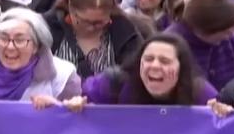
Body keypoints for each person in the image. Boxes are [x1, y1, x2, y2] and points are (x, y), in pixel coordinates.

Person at [0, 8, 82, 107]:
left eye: (20, 40)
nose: (10, 47)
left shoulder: (64, 75)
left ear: (36, 45)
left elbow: (72, 124)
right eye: (3, 38)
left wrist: (57, 109)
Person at [76, 34, 216, 107]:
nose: (154, 65)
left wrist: (224, 112)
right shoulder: (113, 83)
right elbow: (82, 98)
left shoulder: (200, 92)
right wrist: (77, 105)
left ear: (181, 68)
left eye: (165, 61)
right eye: (149, 59)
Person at [44, 0, 144, 79]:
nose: (91, 27)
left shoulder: (125, 33)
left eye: (98, 22)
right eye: (84, 21)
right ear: (70, 8)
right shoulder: (48, 28)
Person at [166, 0, 234, 90]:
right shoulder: (170, 45)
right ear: (204, 30)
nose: (232, 34)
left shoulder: (232, 40)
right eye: (227, 32)